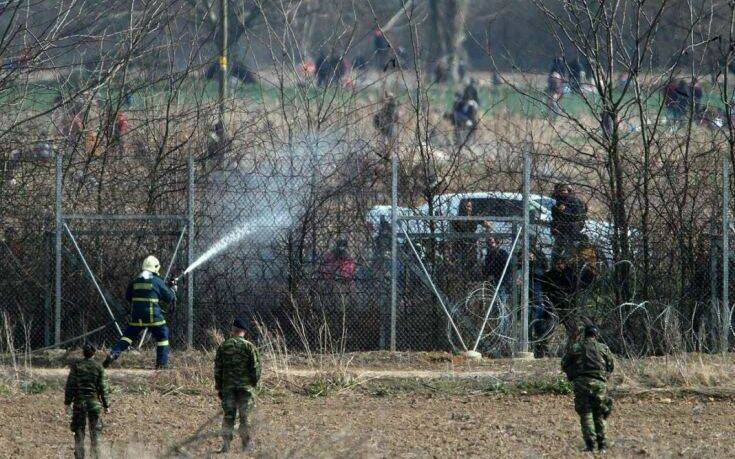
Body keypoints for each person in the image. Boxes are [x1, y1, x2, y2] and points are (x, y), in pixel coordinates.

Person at [104, 255, 177, 369]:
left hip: (136, 316)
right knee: (162, 336)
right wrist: (172, 289)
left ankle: (114, 353)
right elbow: (169, 298)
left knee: (128, 336)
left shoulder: (135, 281)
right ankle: (162, 365)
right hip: (153, 317)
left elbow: (128, 296)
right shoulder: (157, 281)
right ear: (156, 268)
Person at [561, 324, 615, 452]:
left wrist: (572, 373)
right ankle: (602, 445)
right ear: (596, 335)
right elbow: (610, 366)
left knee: (586, 413)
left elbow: (564, 364)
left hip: (581, 383)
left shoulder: (576, 347)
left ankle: (590, 444)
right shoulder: (603, 348)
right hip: (599, 384)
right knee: (599, 413)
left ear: (584, 334)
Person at [214, 317, 261, 453]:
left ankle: (226, 445)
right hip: (245, 388)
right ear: (244, 332)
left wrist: (219, 386)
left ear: (233, 330)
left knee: (229, 415)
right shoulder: (249, 347)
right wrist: (253, 383)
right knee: (245, 416)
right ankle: (246, 445)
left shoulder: (224, 346)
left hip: (228, 387)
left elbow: (218, 368)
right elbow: (256, 369)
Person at [64, 343, 110, 459]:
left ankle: (80, 457)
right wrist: (106, 405)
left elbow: (70, 385)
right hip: (94, 404)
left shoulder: (76, 366)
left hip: (79, 404)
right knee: (95, 433)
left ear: (83, 353)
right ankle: (96, 456)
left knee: (79, 433)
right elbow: (103, 387)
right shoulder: (99, 367)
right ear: (94, 353)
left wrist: (67, 402)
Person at [551, 183, 587, 254]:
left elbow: (578, 215)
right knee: (557, 251)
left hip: (571, 229)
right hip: (560, 230)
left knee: (568, 250)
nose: (562, 192)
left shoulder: (574, 200)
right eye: (559, 191)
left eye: (563, 190)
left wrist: (565, 210)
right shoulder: (558, 200)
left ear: (568, 190)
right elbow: (555, 216)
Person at [483, 237, 511, 305]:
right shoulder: (488, 255)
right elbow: (486, 268)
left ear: (497, 243)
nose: (490, 245)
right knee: (494, 302)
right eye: (488, 243)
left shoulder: (502, 253)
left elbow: (507, 268)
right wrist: (488, 276)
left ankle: (503, 315)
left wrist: (495, 276)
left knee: (501, 301)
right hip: (492, 281)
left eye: (492, 242)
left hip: (502, 281)